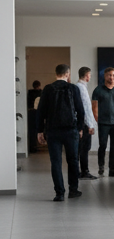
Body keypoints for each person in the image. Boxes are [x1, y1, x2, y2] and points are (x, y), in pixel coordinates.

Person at [36, 64, 85, 202]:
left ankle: (59, 193)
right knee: (73, 160)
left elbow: (41, 111)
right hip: (71, 130)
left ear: (56, 73)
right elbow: (81, 111)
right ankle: (73, 190)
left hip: (53, 131)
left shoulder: (48, 89)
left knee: (56, 162)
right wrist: (80, 128)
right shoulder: (73, 88)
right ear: (68, 74)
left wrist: (40, 131)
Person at [76, 67, 98, 180]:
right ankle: (84, 171)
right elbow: (86, 108)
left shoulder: (79, 87)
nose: (90, 77)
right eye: (90, 75)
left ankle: (80, 171)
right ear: (86, 75)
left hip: (82, 123)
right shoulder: (81, 88)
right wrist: (90, 125)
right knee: (84, 148)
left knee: (81, 149)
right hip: (84, 124)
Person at [26, 80, 42, 153]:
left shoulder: (30, 92)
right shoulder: (40, 92)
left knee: (31, 131)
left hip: (30, 112)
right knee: (37, 130)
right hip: (37, 112)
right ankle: (35, 146)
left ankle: (31, 147)